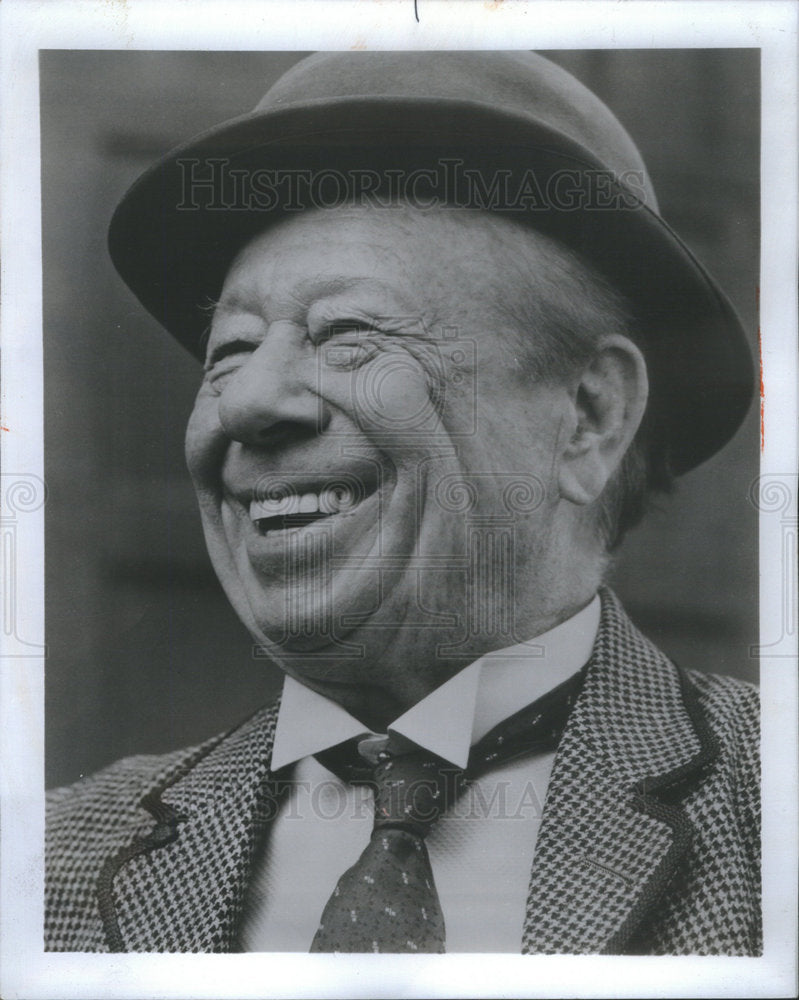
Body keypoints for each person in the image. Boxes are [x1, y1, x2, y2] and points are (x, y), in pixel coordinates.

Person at [45, 51, 760, 955]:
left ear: (588, 417)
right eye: (230, 350)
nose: (247, 403)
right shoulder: (49, 859)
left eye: (349, 334)